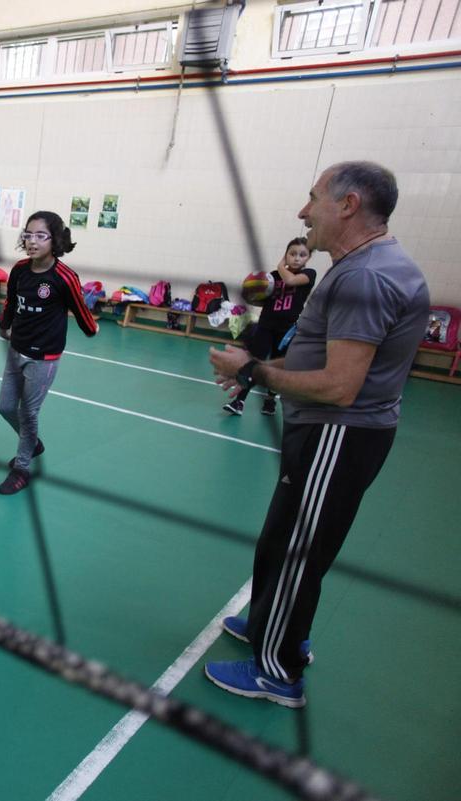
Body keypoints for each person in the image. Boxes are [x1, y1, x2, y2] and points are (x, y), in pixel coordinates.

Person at [206, 161, 430, 708]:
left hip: (339, 432)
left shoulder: (366, 277)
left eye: (313, 199)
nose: (303, 212)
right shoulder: (361, 265)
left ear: (348, 205)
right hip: (328, 432)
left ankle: (278, 671)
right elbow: (319, 355)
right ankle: (268, 624)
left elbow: (339, 385)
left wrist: (252, 373)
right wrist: (257, 362)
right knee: (281, 539)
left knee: (300, 550)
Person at [0, 211, 98, 495]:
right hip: (17, 350)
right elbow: (10, 302)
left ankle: (22, 468)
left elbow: (80, 308)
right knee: (5, 407)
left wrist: (91, 329)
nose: (32, 241)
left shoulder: (64, 277)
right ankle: (34, 443)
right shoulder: (19, 269)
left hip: (46, 357)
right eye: (28, 234)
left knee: (29, 412)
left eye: (41, 236)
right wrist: (4, 326)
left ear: (55, 240)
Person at [223, 237, 317, 416]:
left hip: (287, 330)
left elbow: (290, 281)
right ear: (286, 255)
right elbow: (262, 302)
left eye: (302, 255)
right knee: (254, 362)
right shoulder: (272, 277)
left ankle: (270, 401)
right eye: (292, 254)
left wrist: (281, 264)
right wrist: (251, 295)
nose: (297, 258)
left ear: (308, 258)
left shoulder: (309, 274)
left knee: (276, 366)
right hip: (266, 325)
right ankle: (239, 400)